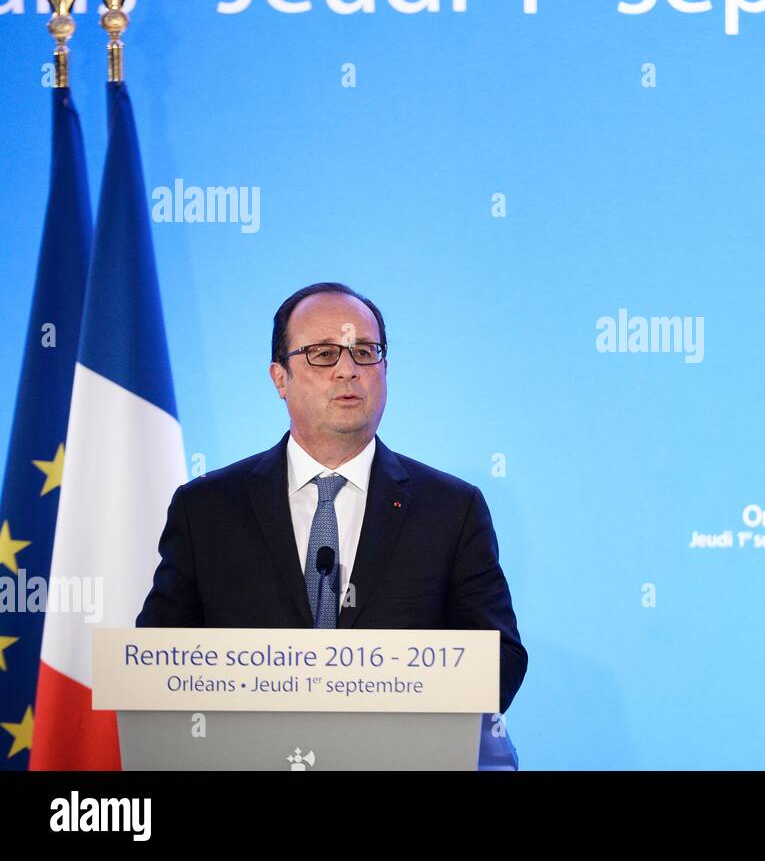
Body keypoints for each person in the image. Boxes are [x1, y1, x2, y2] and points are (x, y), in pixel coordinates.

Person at [136, 282, 527, 718]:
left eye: (364, 351)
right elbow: (157, 661)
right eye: (323, 353)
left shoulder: (451, 510)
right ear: (280, 378)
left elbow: (501, 662)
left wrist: (394, 690)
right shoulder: (207, 510)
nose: (348, 370)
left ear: (384, 368)